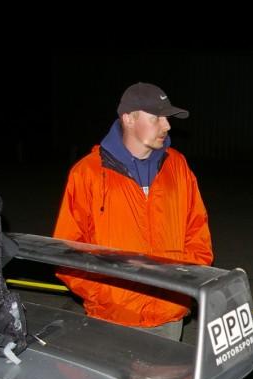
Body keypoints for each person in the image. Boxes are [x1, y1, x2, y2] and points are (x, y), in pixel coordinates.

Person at [53, 82, 213, 340]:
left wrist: (181, 286)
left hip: (168, 314)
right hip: (112, 318)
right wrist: (106, 296)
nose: (167, 126)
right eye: (156, 118)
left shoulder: (177, 166)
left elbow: (197, 233)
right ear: (128, 118)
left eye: (167, 118)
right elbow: (67, 251)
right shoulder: (88, 173)